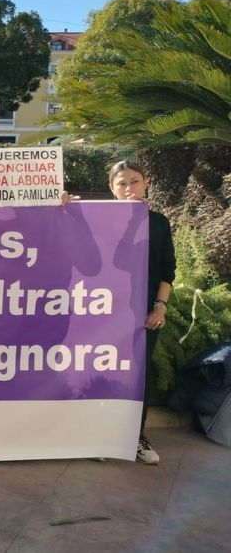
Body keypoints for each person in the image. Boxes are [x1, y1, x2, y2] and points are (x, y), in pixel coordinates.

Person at [110, 160, 175, 465]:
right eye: (122, 184)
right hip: (106, 314)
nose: (129, 189)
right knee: (105, 373)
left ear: (146, 183)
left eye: (134, 182)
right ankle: (100, 437)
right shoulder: (103, 221)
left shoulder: (159, 223)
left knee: (139, 375)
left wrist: (160, 306)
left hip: (145, 314)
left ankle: (136, 436)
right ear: (112, 189)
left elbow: (167, 270)